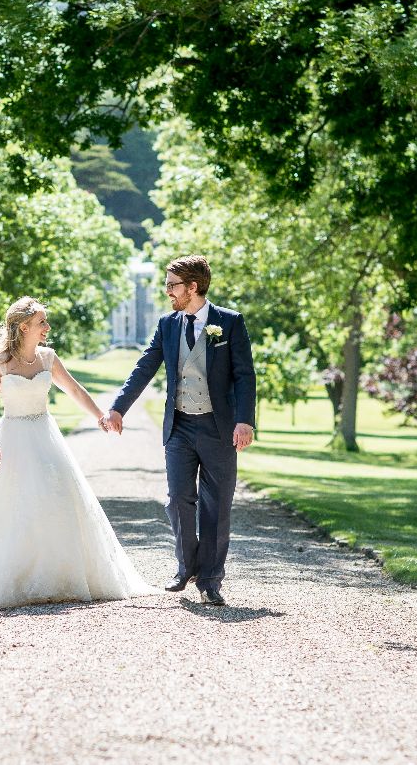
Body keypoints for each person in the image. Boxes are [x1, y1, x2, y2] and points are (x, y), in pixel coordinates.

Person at [0, 296, 158, 613]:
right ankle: (14, 577)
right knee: (6, 505)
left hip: (45, 435)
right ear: (24, 327)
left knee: (57, 498)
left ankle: (56, 577)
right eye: (41, 322)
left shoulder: (48, 358)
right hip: (12, 436)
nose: (47, 327)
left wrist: (100, 415)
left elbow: (74, 389)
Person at [103, 256, 255, 606]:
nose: (167, 290)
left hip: (219, 428)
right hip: (180, 426)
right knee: (178, 500)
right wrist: (118, 407)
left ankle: (211, 580)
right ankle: (186, 565)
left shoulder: (229, 323)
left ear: (193, 287)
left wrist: (244, 420)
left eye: (172, 284)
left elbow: (245, 375)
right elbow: (145, 366)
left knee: (217, 505)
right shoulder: (168, 324)